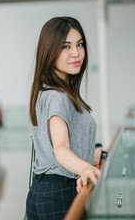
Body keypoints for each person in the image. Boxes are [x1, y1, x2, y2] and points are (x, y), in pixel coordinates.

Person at [25, 16, 102, 220]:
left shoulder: (49, 91)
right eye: (66, 46)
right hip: (59, 194)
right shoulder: (57, 96)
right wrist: (85, 167)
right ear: (49, 51)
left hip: (43, 192)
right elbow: (60, 149)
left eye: (80, 44)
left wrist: (89, 156)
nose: (76, 53)